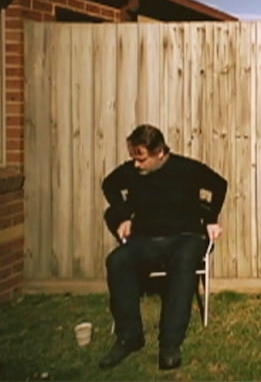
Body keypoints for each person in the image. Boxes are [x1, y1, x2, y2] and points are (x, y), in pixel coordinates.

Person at [98, 124, 227, 370]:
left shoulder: (186, 168)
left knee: (185, 261)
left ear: (159, 153)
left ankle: (170, 343)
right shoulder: (132, 171)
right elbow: (109, 186)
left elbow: (219, 184)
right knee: (118, 260)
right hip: (146, 239)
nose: (136, 164)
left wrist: (211, 219)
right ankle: (130, 337)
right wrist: (124, 215)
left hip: (185, 237)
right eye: (133, 157)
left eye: (141, 158)